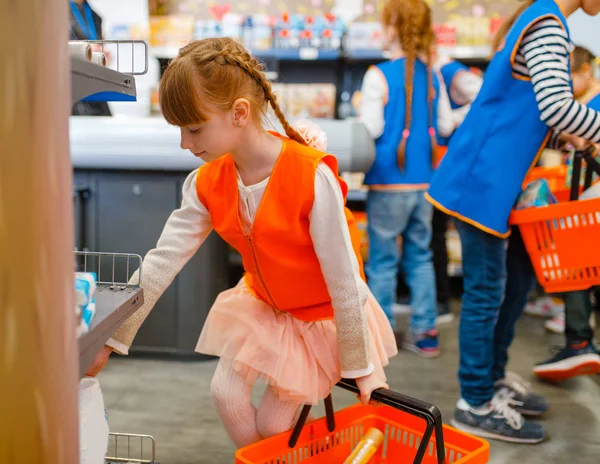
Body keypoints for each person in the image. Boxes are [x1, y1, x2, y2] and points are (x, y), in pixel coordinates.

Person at [85, 37, 397, 448]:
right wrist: (107, 338)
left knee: (273, 423)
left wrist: (363, 366)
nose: (184, 142)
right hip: (264, 306)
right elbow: (162, 262)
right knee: (226, 394)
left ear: (238, 113)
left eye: (194, 128)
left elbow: (344, 280)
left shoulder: (310, 177)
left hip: (321, 316)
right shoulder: (207, 183)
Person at [427, 0, 600, 443]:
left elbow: (536, 112)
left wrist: (575, 138)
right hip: (482, 181)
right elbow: (558, 107)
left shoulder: (540, 17)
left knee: (515, 285)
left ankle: (492, 379)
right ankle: (475, 401)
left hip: (493, 180)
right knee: (487, 293)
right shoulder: (548, 24)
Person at [359, 0, 453, 357]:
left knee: (383, 260)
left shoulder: (377, 75)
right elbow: (444, 125)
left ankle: (382, 337)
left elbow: (372, 127)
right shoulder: (433, 75)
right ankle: (425, 333)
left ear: (393, 26)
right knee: (421, 256)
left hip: (387, 182)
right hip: (423, 183)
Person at [533, 45, 600, 381]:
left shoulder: (592, 108)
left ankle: (578, 341)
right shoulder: (586, 105)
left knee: (578, 266)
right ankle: (580, 340)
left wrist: (586, 145)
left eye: (568, 76)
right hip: (587, 199)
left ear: (586, 71)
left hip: (592, 205)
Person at [432, 55, 483, 322]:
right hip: (444, 160)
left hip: (449, 161)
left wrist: (451, 118)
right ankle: (440, 301)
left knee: (438, 232)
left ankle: (442, 302)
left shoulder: (446, 68)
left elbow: (482, 96)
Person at [69, 0, 112, 116]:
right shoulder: (57, 13)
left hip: (95, 85)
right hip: (71, 88)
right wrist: (85, 50)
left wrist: (102, 55)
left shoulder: (95, 17)